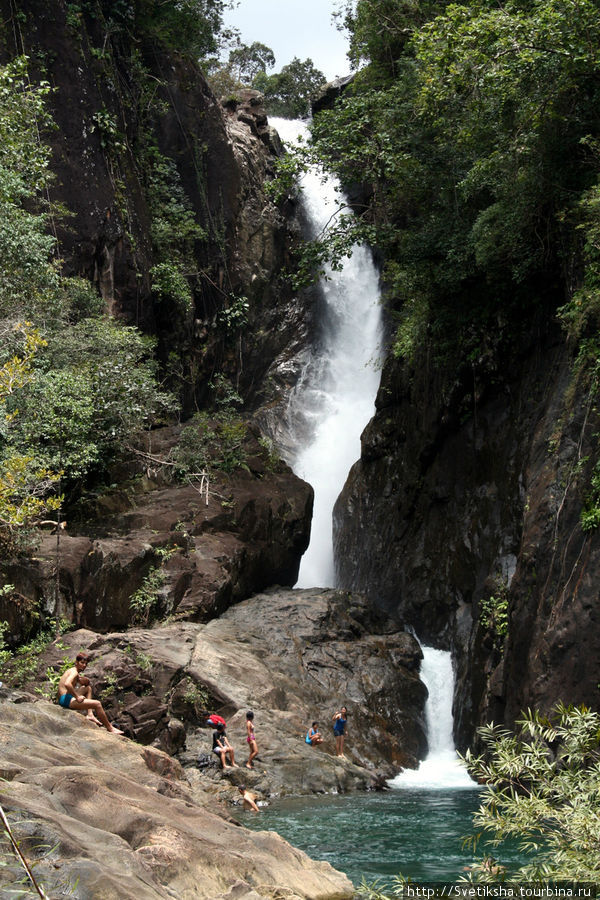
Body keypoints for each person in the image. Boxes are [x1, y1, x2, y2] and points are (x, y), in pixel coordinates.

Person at [57, 652, 123, 735]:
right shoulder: (74, 672)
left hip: (65, 696)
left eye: (86, 663)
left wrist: (82, 680)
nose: (84, 665)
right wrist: (77, 697)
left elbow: (80, 682)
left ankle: (90, 714)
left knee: (87, 688)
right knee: (97, 704)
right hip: (65, 700)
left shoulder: (73, 671)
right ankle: (110, 728)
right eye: (82, 663)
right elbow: (67, 684)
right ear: (76, 663)